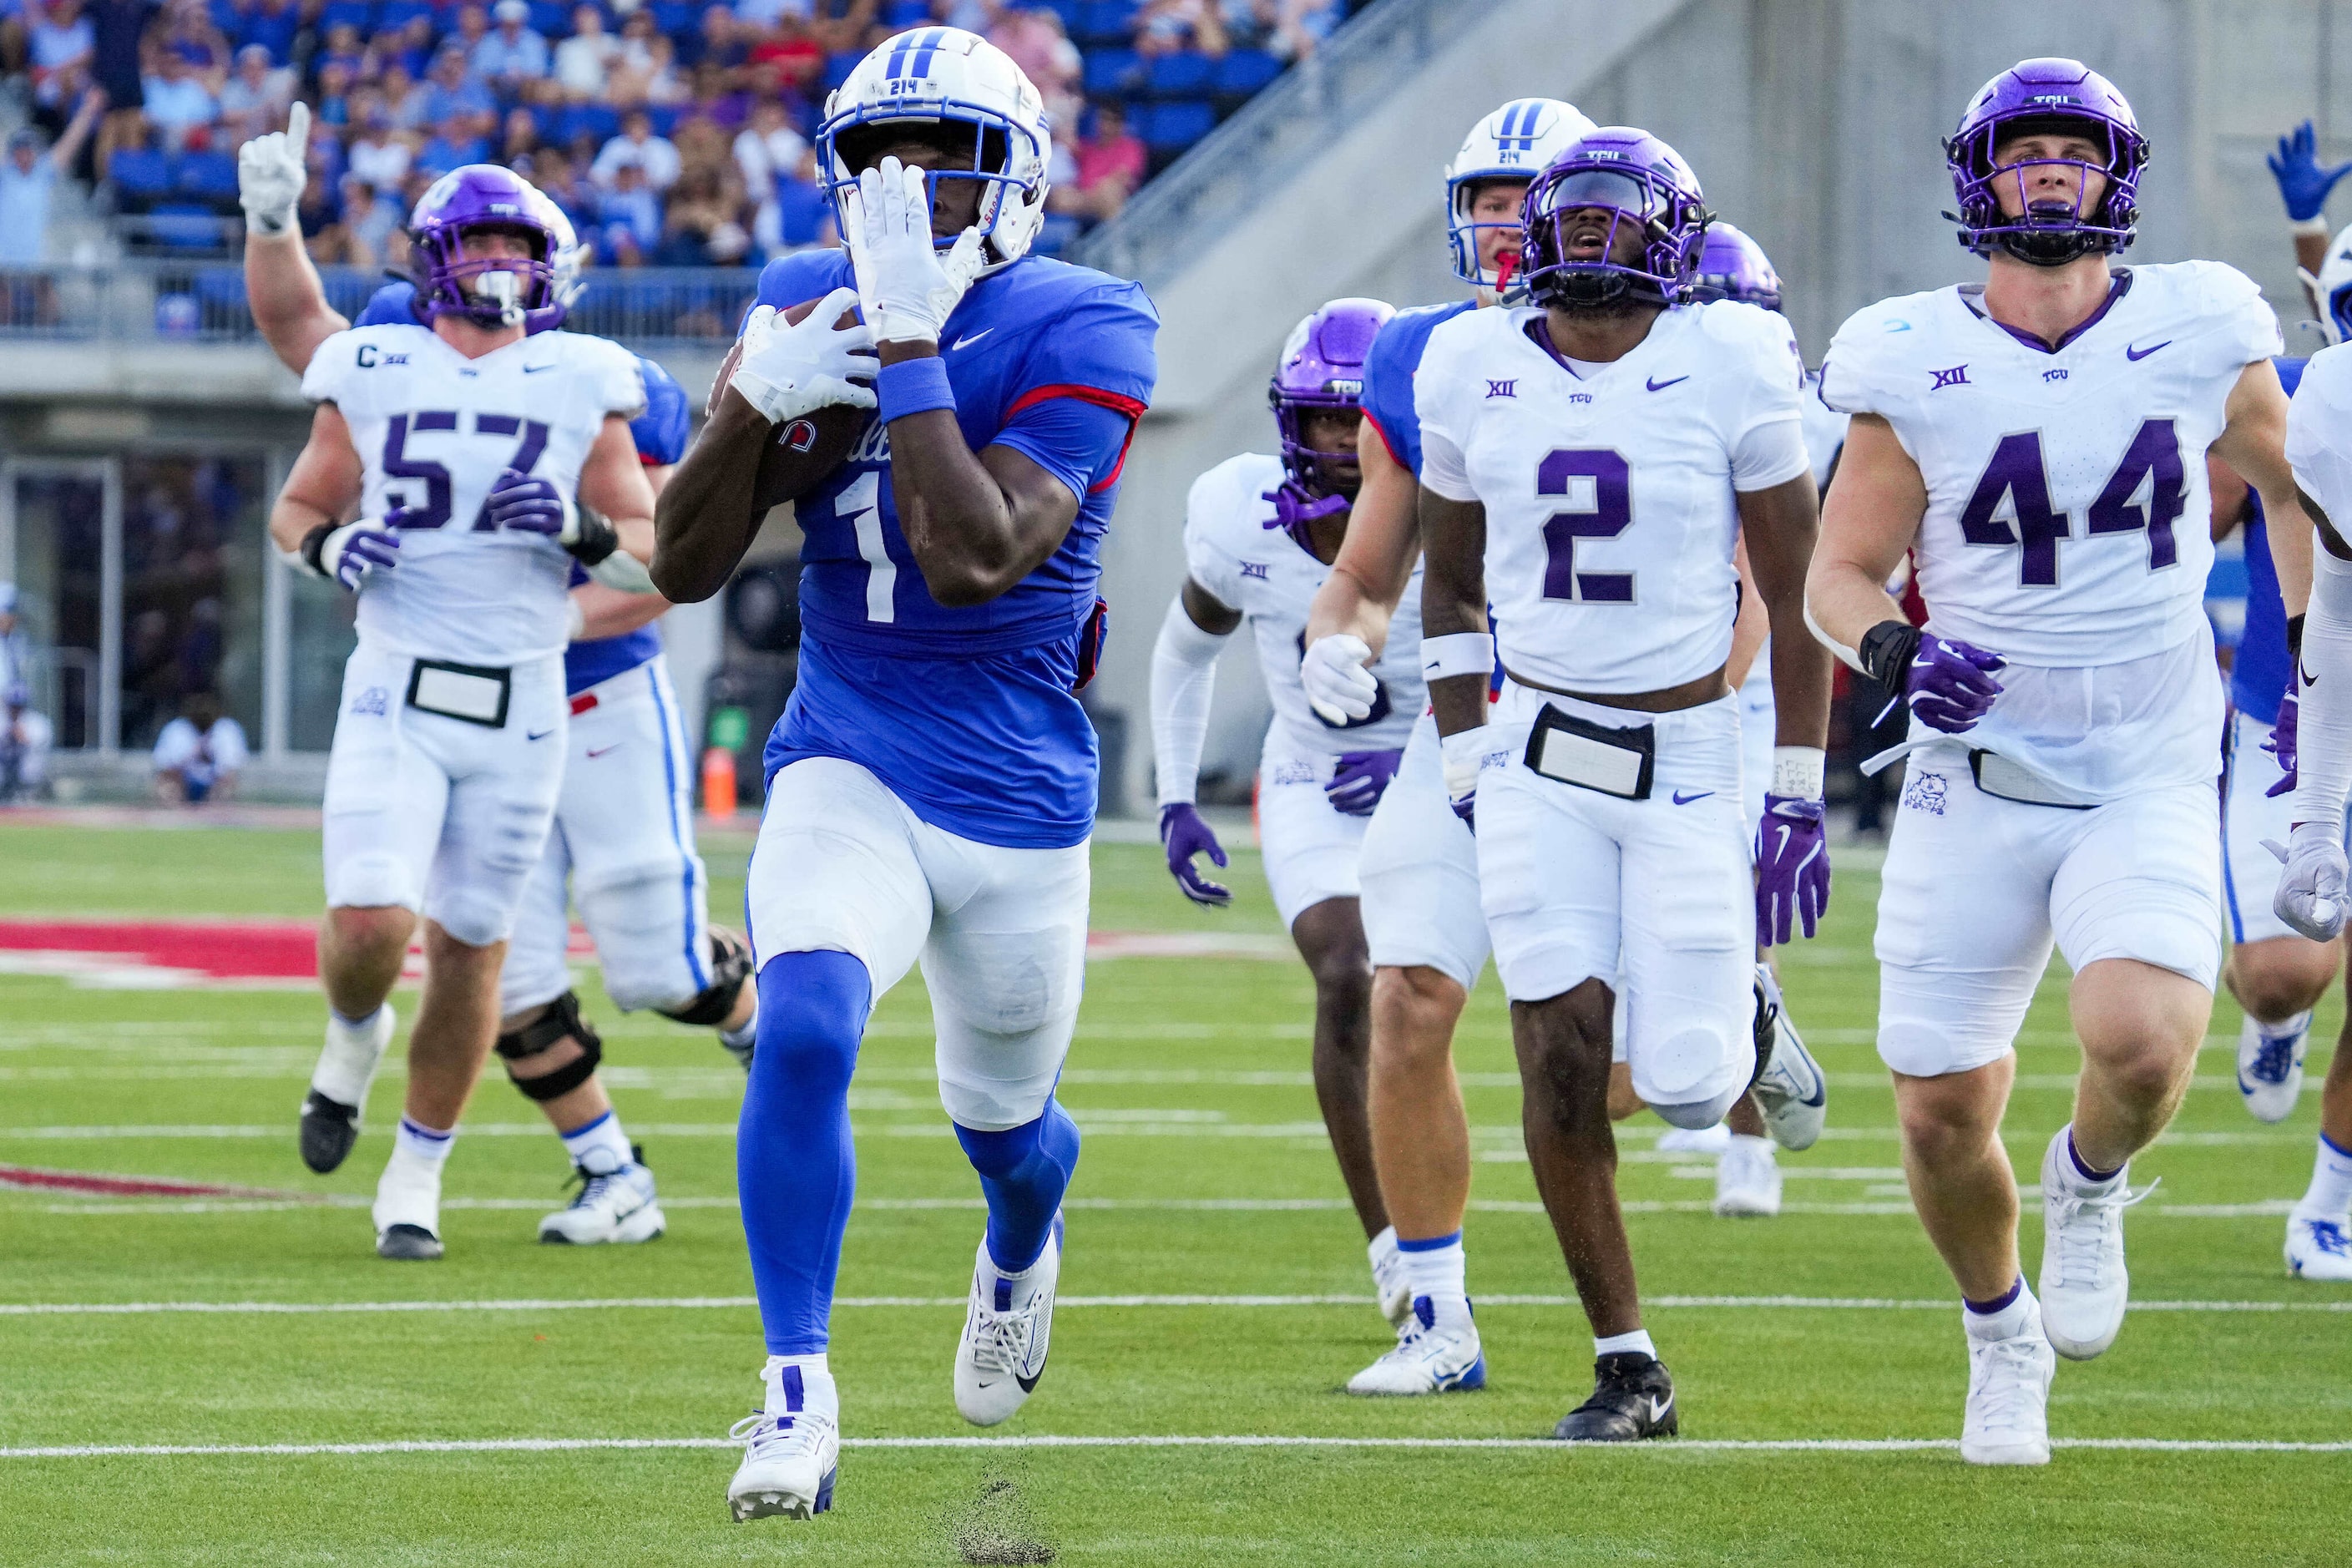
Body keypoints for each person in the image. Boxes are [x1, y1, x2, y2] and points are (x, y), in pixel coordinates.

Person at [652, 24, 1156, 1522]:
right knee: (801, 1020)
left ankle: (1020, 1242)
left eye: (941, 158)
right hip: (846, 755)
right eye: (875, 161)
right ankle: (795, 1392)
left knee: (1006, 1131)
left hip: (1012, 798)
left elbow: (974, 555)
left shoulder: (1088, 318)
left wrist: (911, 345)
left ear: (1014, 177)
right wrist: (755, 398)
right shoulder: (802, 300)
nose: (905, 189)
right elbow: (679, 566)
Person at [1806, 58, 2314, 1466]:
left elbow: (2282, 486)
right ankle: (1997, 1329)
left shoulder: (2204, 323)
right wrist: (1894, 653)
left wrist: (2308, 653)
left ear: (2118, 178)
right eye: (2023, 153)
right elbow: (1837, 574)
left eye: (2071, 154)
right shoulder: (1909, 354)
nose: (2046, 176)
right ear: (1977, 177)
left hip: (2146, 754)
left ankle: (2087, 1183)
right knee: (1934, 1110)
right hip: (1971, 776)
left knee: (2141, 1049)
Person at [240, 115, 761, 1245]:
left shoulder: (602, 380)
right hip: (432, 682)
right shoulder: (392, 340)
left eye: (514, 248)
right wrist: (273, 220)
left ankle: (751, 999)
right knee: (497, 964)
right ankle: (610, 1169)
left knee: (659, 967)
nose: (492, 270)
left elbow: (663, 557)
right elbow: (296, 331)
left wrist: (539, 602)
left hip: (590, 683)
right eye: (472, 246)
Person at [1415, 125, 1833, 1439]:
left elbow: (1795, 588)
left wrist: (1797, 789)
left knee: (1698, 1085)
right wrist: (1459, 747)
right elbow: (1450, 583)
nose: (1588, 239)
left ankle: (1751, 1028)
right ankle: (1627, 1363)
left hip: (1692, 752)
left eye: (1616, 219)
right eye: (1570, 217)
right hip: (1540, 742)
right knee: (1555, 1056)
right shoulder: (1467, 361)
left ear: (1672, 241)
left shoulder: (1731, 358)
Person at [1305, 98, 1609, 1399]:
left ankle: (1736, 1031)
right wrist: (1341, 632)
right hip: (1467, 721)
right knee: (1405, 994)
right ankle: (1437, 1316)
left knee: (1634, 1064)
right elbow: (1374, 563)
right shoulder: (1421, 355)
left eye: (1523, 196)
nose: (1500, 224)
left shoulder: (1676, 338)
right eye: (1483, 198)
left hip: (1618, 726)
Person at [1151, 298, 1426, 1342]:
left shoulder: (1465, 491)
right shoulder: (1240, 519)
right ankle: (1395, 1248)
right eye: (1325, 422)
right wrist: (1176, 795)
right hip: (1316, 777)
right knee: (1353, 971)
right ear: (1287, 422)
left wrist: (1431, 750)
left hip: (1465, 769)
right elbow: (1186, 648)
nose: (1346, 448)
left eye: (1364, 424)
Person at [1663, 220, 1835, 1219]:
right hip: (1670, 673)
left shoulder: (1794, 417)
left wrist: (1713, 686)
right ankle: (1747, 1046)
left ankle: (1746, 1143)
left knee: (1725, 920)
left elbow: (1782, 574)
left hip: (1748, 682)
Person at [2233, 139, 2352, 1282]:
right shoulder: (2309, 402)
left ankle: (2330, 1191)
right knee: (2282, 972)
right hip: (2287, 707)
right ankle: (2271, 1023)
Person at [0, 86, 101, 273]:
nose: (24, 153)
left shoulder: (42, 173)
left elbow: (70, 142)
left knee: (45, 292)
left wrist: (88, 111)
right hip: (5, 254)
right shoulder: (5, 175)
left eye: (28, 148)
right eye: (20, 148)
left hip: (35, 253)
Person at [150, 690, 247, 802]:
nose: (203, 710)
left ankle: (217, 815)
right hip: (184, 782)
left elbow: (230, 770)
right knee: (166, 788)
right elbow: (165, 767)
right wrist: (191, 755)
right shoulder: (176, 729)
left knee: (225, 789)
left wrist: (210, 755)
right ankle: (175, 816)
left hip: (213, 784)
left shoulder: (227, 729)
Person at [0, 683, 53, 803]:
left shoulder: (38, 723)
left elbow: (39, 746)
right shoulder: (2, 720)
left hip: (28, 778)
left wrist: (22, 737)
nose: (15, 710)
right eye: (12, 706)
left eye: (18, 706)